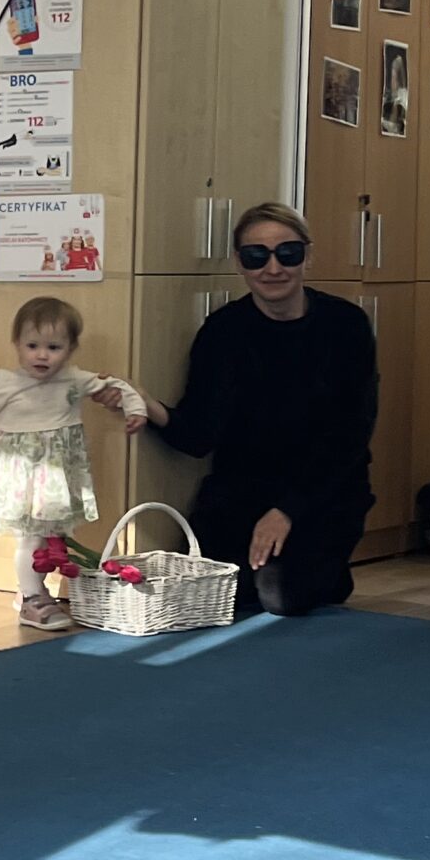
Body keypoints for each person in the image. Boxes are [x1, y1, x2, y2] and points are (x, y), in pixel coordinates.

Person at [100, 204, 377, 616]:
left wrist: (287, 511)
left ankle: (329, 570)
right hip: (241, 491)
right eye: (256, 256)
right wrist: (146, 404)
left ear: (307, 256)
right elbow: (199, 434)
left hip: (323, 491)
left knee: (280, 595)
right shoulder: (222, 331)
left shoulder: (346, 325)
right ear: (239, 263)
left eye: (288, 254)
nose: (273, 268)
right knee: (215, 591)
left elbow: (350, 436)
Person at [0, 298, 146, 630]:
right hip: (21, 474)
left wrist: (136, 409)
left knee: (50, 537)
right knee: (32, 537)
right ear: (17, 344)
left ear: (70, 349)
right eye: (32, 346)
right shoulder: (6, 381)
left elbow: (115, 385)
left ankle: (29, 589)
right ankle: (32, 599)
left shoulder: (73, 379)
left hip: (56, 475)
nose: (42, 355)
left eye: (54, 347)